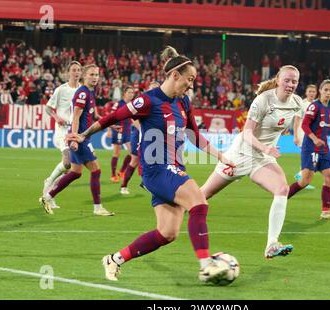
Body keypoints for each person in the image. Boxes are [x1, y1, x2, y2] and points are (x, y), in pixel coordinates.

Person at [67, 46, 234, 284]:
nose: (191, 85)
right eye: (189, 79)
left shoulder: (183, 102)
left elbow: (193, 134)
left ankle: (114, 259)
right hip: (157, 170)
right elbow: (114, 117)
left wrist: (220, 156)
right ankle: (207, 265)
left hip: (174, 169)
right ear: (175, 75)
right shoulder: (147, 100)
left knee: (167, 233)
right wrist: (83, 134)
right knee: (199, 202)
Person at [201, 65, 302, 259]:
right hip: (242, 154)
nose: (290, 85)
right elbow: (246, 133)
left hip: (262, 158)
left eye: (294, 81)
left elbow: (291, 123)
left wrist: (296, 138)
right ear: (278, 79)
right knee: (203, 195)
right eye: (287, 80)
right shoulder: (263, 100)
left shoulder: (297, 103)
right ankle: (170, 208)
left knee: (282, 189)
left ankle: (272, 244)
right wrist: (266, 148)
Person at [39, 64, 114, 216]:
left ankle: (47, 196)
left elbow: (91, 115)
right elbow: (76, 116)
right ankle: (97, 208)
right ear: (84, 76)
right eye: (91, 75)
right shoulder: (82, 93)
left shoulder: (88, 92)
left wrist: (109, 124)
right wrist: (74, 137)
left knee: (75, 172)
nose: (95, 78)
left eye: (97, 75)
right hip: (80, 138)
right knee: (96, 170)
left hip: (82, 137)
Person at [288, 79, 330, 220]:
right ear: (320, 90)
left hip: (323, 148)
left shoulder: (329, 109)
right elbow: (305, 125)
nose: (328, 93)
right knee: (305, 181)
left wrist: (322, 142)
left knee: (329, 176)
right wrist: (314, 139)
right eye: (326, 90)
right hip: (311, 146)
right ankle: (282, 197)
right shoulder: (314, 106)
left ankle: (325, 211)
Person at [42, 61, 82, 209]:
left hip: (75, 132)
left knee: (72, 168)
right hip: (62, 132)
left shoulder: (83, 91)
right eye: (73, 70)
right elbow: (48, 108)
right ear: (68, 72)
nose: (76, 73)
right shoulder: (61, 90)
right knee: (67, 162)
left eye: (78, 70)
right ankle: (49, 184)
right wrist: (56, 117)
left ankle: (50, 191)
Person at [120, 81, 160, 195]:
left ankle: (146, 182)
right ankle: (124, 185)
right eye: (153, 88)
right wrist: (143, 131)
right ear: (148, 89)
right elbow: (134, 118)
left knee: (153, 158)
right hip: (139, 134)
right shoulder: (144, 101)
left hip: (149, 134)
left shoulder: (158, 103)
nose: (155, 91)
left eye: (157, 88)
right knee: (135, 160)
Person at [293, 84, 317, 190]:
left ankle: (301, 176)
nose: (311, 93)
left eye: (313, 91)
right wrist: (295, 136)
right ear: (306, 93)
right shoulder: (302, 104)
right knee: (309, 157)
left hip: (313, 135)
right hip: (303, 134)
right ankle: (301, 177)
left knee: (313, 158)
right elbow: (296, 120)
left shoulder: (317, 104)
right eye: (310, 91)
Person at [109, 86, 135, 183]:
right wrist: (109, 129)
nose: (131, 94)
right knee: (117, 153)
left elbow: (133, 118)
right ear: (124, 93)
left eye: (132, 92)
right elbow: (110, 117)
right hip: (118, 131)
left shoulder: (132, 105)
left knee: (132, 152)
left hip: (127, 132)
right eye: (129, 92)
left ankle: (121, 171)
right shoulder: (118, 104)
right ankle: (113, 175)